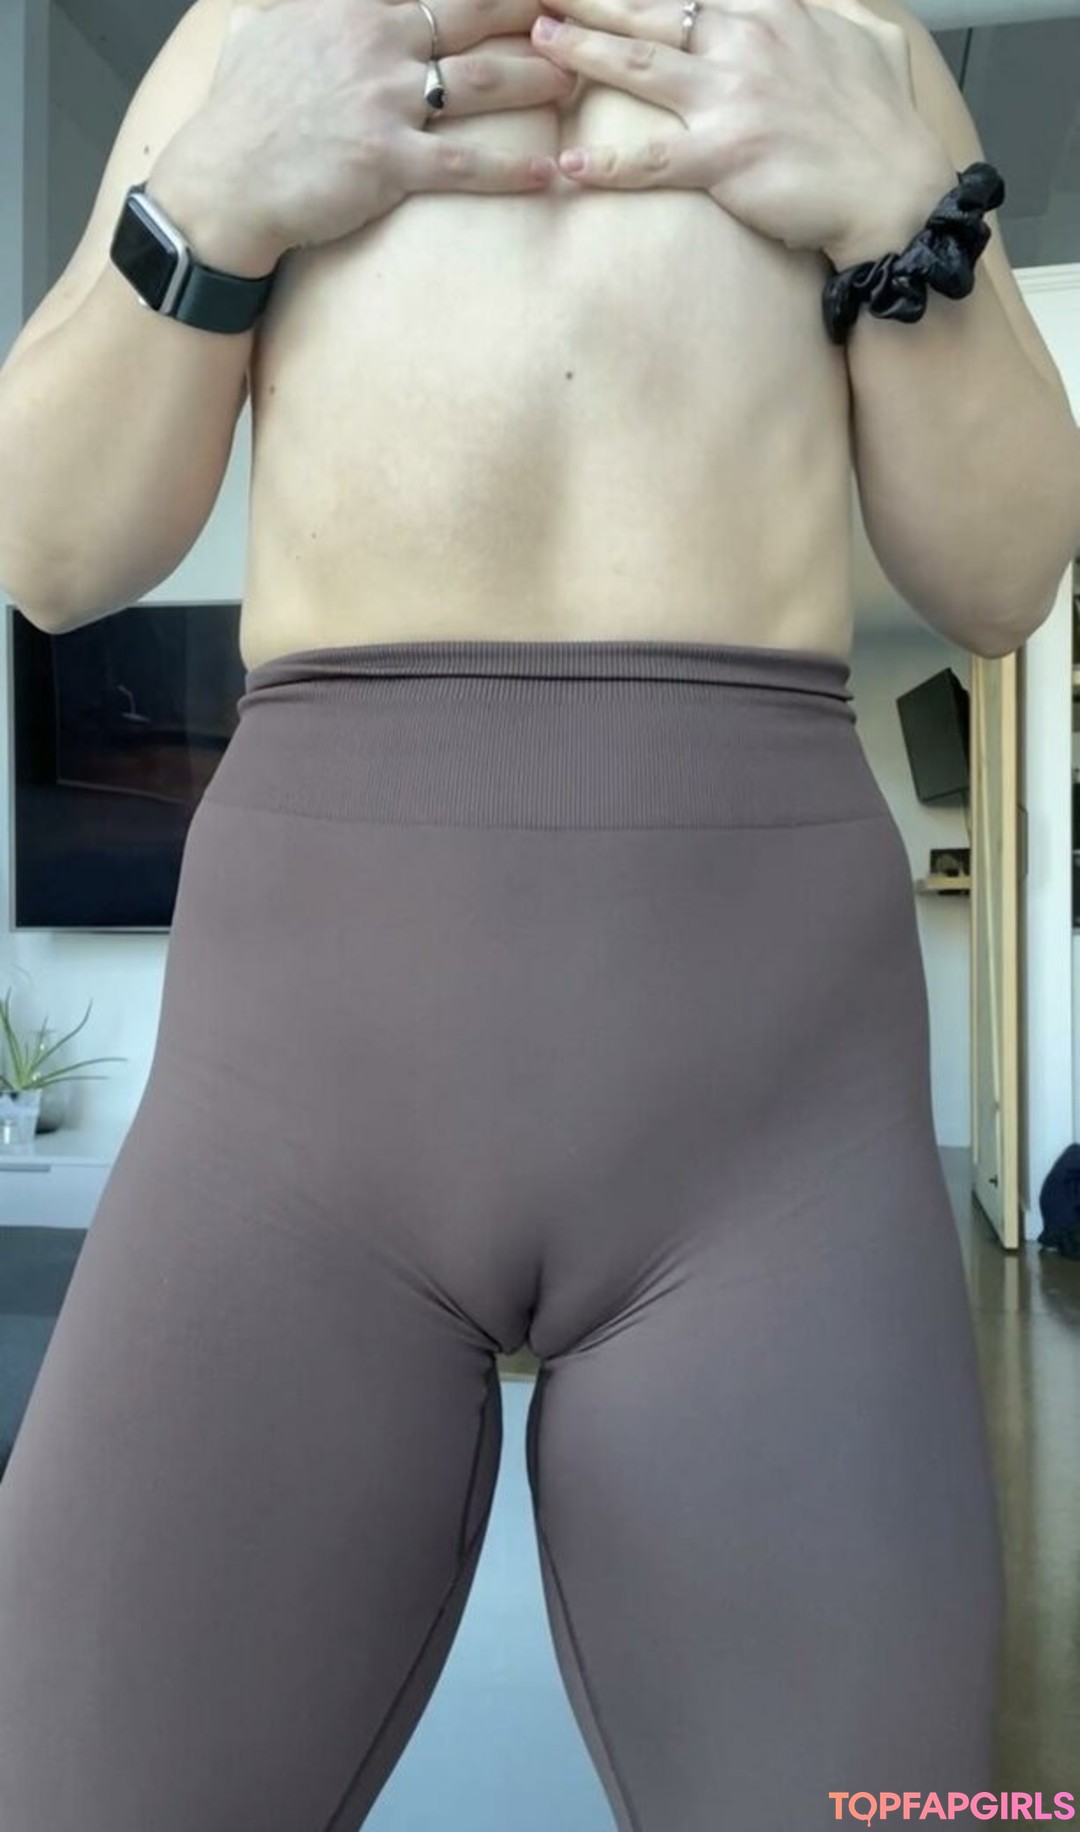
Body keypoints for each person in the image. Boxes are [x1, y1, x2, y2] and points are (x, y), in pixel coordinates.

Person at [0, 0, 1074, 1824]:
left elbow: (1005, 576)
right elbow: (49, 551)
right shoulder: (256, 37)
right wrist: (216, 196)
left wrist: (902, 209)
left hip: (770, 1135)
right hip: (293, 1121)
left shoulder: (852, 42)